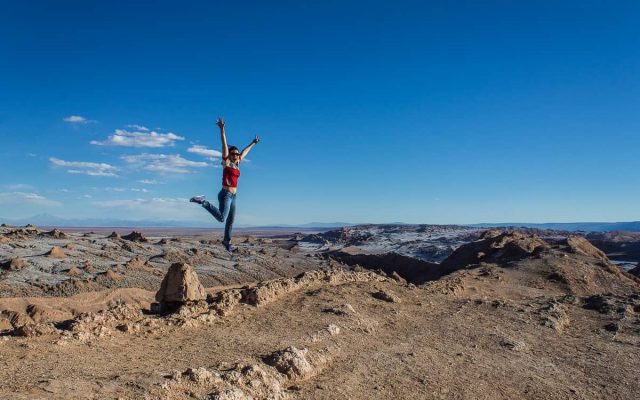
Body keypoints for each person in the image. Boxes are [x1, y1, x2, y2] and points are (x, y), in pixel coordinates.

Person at [190, 118, 259, 252]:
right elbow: (224, 145)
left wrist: (253, 143)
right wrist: (222, 130)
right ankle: (203, 201)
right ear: (229, 155)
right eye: (233, 154)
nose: (236, 155)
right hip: (225, 195)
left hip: (234, 195)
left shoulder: (238, 163)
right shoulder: (226, 163)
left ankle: (227, 242)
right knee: (222, 218)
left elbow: (244, 151)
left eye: (237, 154)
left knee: (230, 220)